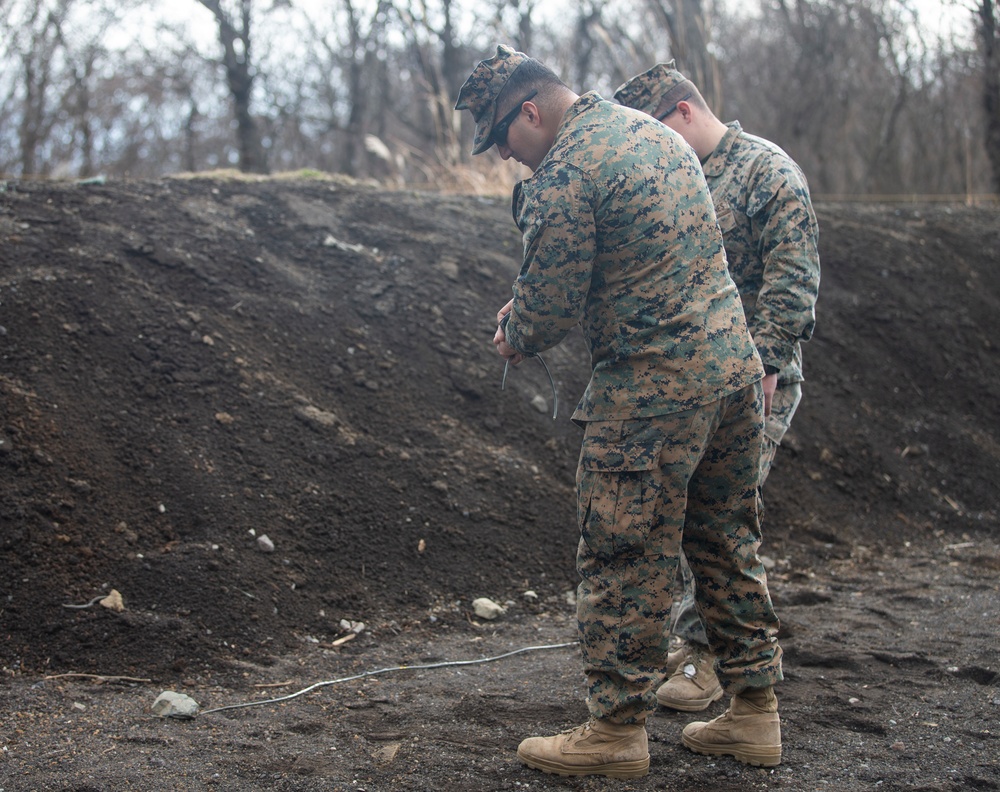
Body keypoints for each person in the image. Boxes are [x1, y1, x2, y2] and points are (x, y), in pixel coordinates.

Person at [454, 45, 785, 779]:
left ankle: (614, 732)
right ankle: (756, 714)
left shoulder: (567, 169)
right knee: (726, 543)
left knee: (622, 559)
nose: (506, 157)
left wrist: (517, 329)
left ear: (530, 112)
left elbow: (543, 314)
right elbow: (646, 251)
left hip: (651, 398)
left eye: (502, 139)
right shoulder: (654, 132)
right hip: (730, 375)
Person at [614, 63, 820, 714]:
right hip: (685, 379)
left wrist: (765, 363)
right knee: (677, 516)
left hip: (754, 378)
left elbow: (793, 277)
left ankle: (709, 660)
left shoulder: (766, 171)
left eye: (652, 131)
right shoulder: (672, 179)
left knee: (719, 520)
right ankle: (693, 641)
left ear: (681, 113)